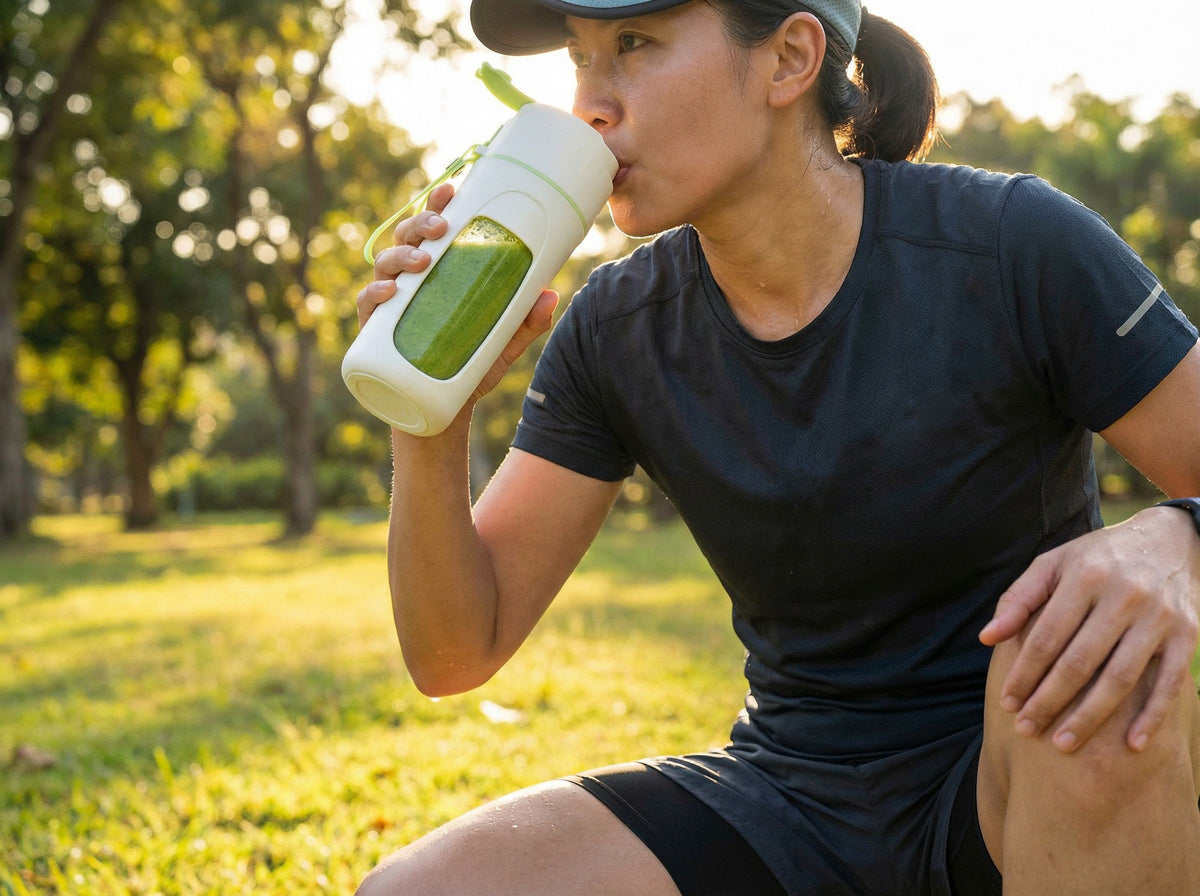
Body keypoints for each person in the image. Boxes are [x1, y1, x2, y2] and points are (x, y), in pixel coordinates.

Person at [353, 0, 1200, 893]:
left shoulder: (1010, 244)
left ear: (790, 58)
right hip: (788, 794)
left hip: (1024, 773)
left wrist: (1177, 535)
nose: (589, 105)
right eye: (579, 57)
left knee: (1096, 671)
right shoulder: (615, 327)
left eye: (633, 45)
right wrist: (429, 403)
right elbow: (455, 651)